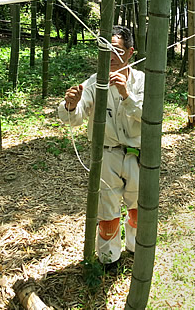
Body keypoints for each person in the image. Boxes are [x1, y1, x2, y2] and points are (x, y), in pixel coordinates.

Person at [58, 25, 145, 269]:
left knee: (138, 210)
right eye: (105, 52)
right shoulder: (95, 82)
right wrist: (70, 105)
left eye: (116, 51)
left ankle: (137, 249)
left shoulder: (142, 81)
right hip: (106, 155)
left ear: (129, 52)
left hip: (139, 157)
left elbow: (150, 117)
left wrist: (126, 95)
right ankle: (109, 260)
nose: (110, 58)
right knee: (107, 212)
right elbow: (73, 117)